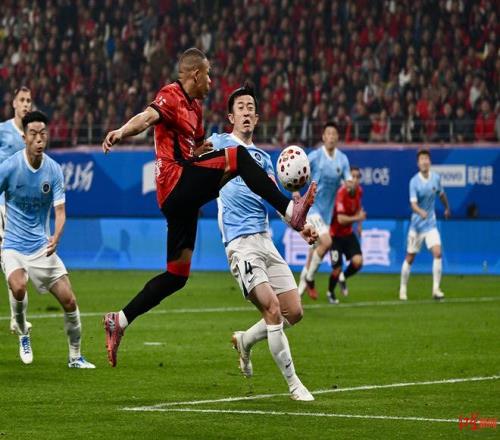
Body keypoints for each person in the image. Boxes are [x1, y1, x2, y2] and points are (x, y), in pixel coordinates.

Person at [101, 48, 317, 367]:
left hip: (183, 200)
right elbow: (146, 118)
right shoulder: (171, 95)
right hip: (175, 182)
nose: (212, 81)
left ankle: (118, 320)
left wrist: (207, 154)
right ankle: (291, 211)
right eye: (209, 74)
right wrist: (121, 131)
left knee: (177, 275)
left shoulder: (196, 110)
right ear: (195, 74)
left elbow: (198, 149)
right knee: (238, 157)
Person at [209, 85, 317, 401]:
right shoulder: (219, 143)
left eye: (250, 108)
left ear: (256, 118)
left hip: (265, 241)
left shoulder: (264, 159)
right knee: (271, 308)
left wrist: (302, 227)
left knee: (293, 311)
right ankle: (295, 385)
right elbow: (192, 153)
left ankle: (244, 341)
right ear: (231, 117)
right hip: (240, 243)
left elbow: (275, 199)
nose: (246, 112)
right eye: (240, 107)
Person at [0, 111, 95, 368]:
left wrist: (57, 236)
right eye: (33, 134)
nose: (39, 139)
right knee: (18, 287)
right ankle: (23, 332)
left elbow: (60, 211)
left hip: (41, 247)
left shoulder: (53, 170)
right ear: (24, 137)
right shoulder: (9, 167)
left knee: (69, 300)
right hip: (13, 246)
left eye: (43, 133)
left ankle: (75, 357)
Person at [298, 122, 351, 300]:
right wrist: (296, 191)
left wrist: (350, 186)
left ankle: (298, 295)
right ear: (323, 137)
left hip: (326, 214)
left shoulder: (342, 159)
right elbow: (299, 171)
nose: (331, 137)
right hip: (312, 209)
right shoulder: (315, 156)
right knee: (326, 242)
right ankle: (310, 279)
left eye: (334, 133)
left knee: (313, 253)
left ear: (337, 137)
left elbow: (348, 182)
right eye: (328, 133)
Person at [0, 86, 33, 334]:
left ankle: (16, 319)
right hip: (2, 206)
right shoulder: (3, 130)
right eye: (22, 100)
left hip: (22, 210)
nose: (25, 104)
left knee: (19, 265)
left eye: (29, 100)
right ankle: (16, 319)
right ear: (14, 103)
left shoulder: (33, 135)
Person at [399, 149, 450, 301]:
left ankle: (436, 289)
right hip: (416, 226)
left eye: (426, 158)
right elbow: (413, 204)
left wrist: (447, 208)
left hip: (431, 224)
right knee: (410, 257)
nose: (424, 161)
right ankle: (403, 288)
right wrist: (420, 211)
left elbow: (441, 194)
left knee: (437, 253)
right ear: (418, 163)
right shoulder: (414, 181)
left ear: (430, 161)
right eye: (421, 159)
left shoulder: (436, 178)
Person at [327, 166, 365, 304]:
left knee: (358, 262)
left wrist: (359, 225)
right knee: (336, 269)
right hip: (335, 236)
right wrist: (357, 218)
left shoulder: (359, 191)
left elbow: (359, 208)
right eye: (352, 176)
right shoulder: (341, 193)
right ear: (347, 179)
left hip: (348, 234)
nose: (354, 179)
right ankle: (330, 292)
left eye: (357, 177)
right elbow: (341, 219)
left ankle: (343, 276)